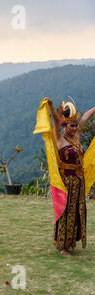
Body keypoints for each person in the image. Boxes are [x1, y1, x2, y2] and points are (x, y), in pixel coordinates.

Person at [47, 98, 95, 257]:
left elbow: (86, 117)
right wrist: (52, 107)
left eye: (75, 125)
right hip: (66, 183)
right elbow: (55, 119)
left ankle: (71, 241)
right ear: (64, 125)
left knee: (76, 212)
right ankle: (62, 247)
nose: (75, 128)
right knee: (65, 212)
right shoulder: (60, 138)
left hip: (78, 182)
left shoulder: (77, 136)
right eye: (71, 125)